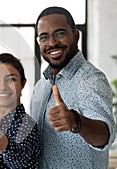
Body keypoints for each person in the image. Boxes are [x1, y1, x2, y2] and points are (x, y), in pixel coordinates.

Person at [30, 6, 115, 168]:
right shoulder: (40, 87)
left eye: (60, 34)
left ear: (75, 36)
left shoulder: (91, 80)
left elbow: (104, 137)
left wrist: (76, 121)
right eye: (44, 37)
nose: (52, 43)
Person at [0, 53, 41, 168]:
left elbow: (21, 162)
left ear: (23, 83)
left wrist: (6, 145)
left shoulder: (26, 124)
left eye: (11, 79)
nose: (2, 87)